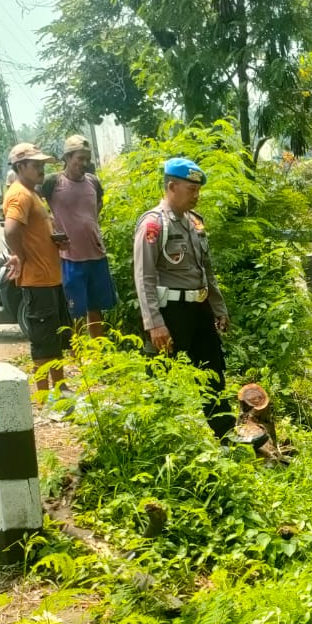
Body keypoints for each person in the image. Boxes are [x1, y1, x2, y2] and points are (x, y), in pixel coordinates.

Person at [133, 157, 234, 439]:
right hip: (171, 312)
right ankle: (158, 440)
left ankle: (225, 435)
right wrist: (154, 323)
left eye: (198, 188)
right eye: (191, 189)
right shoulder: (153, 225)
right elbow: (144, 277)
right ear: (171, 186)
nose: (196, 194)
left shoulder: (195, 224)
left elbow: (207, 272)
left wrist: (218, 308)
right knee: (163, 376)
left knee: (212, 371)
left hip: (200, 309)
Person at [1, 142, 70, 397]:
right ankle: (43, 395)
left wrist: (53, 240)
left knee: (54, 336)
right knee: (42, 340)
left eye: (42, 165)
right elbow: (11, 230)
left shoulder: (32, 193)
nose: (41, 169)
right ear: (20, 167)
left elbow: (31, 232)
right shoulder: (20, 194)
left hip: (49, 276)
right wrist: (20, 256)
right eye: (36, 165)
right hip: (36, 279)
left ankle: (61, 388)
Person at [41, 134, 113, 338]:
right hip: (70, 258)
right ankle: (78, 354)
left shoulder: (93, 182)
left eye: (86, 158)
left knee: (95, 307)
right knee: (75, 310)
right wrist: (51, 227)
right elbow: (36, 207)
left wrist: (87, 225)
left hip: (96, 254)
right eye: (79, 158)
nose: (84, 163)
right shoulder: (53, 182)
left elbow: (97, 205)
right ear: (67, 157)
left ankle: (97, 351)